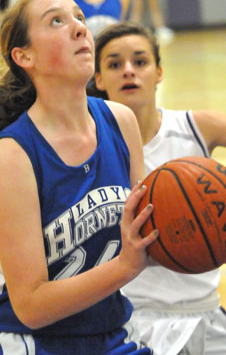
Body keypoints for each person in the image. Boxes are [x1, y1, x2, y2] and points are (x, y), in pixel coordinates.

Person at [0, 0, 159, 354]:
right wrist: (124, 267)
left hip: (109, 331)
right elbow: (31, 307)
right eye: (56, 21)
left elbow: (150, 232)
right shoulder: (14, 153)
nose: (78, 29)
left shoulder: (121, 121)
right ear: (24, 56)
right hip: (27, 340)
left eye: (79, 18)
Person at [88, 20, 226, 355]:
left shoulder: (196, 127)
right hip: (131, 319)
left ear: (159, 72)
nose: (129, 71)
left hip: (206, 313)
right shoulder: (87, 148)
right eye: (114, 64)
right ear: (99, 80)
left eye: (140, 61)